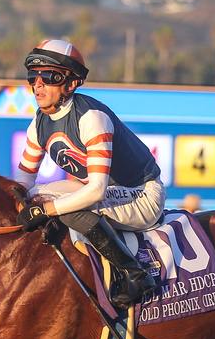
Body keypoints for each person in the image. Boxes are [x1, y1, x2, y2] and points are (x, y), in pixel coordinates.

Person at [13, 39, 165, 310]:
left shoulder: (91, 117)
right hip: (109, 194)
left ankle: (134, 273)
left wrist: (47, 210)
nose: (38, 84)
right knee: (35, 197)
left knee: (62, 208)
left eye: (49, 76)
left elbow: (95, 190)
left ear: (71, 84)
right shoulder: (38, 124)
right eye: (33, 76)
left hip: (142, 195)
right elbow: (23, 181)